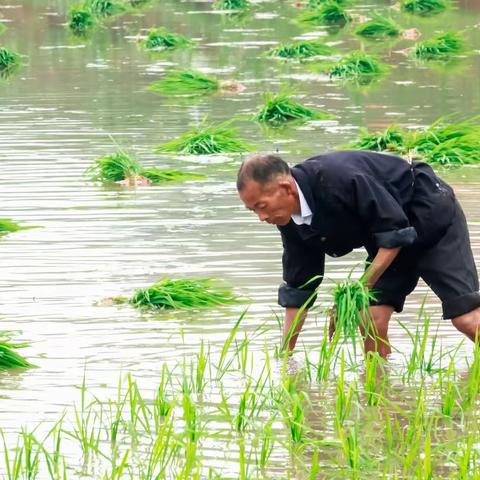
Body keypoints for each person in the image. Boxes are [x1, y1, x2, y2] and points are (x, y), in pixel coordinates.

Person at [237, 151, 480, 356]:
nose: (261, 218)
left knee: (466, 319)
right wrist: (285, 358)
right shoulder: (290, 220)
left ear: (286, 187)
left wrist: (355, 293)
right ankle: (379, 394)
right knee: (370, 317)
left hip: (428, 216)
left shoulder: (339, 179)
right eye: (252, 210)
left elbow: (395, 233)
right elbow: (299, 288)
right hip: (387, 242)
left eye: (262, 206)